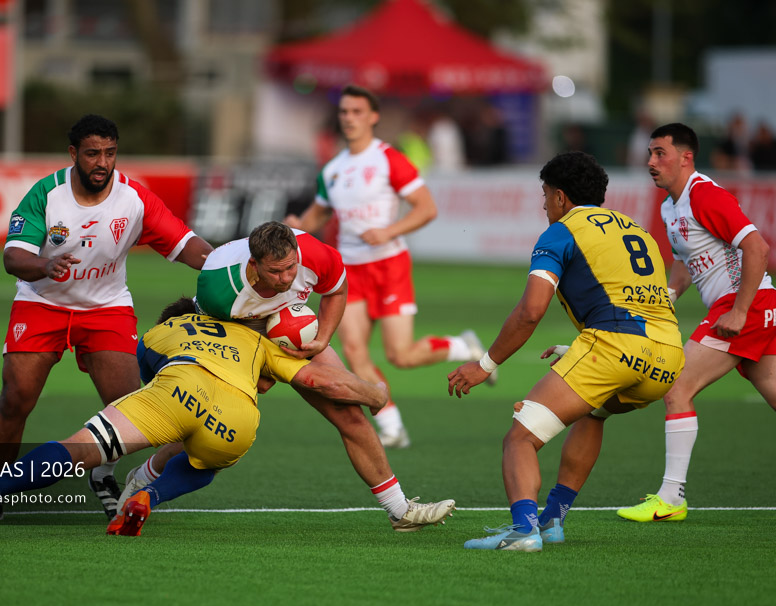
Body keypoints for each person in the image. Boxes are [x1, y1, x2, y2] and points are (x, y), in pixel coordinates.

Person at [0, 297, 455, 538]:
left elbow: (137, 374)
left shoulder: (162, 333)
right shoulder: (257, 340)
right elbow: (322, 383)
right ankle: (148, 497)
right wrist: (375, 393)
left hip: (172, 391)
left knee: (78, 447)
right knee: (207, 462)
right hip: (233, 417)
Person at [114, 222, 458, 532]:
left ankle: (400, 510)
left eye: (291, 267)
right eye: (276, 272)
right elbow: (215, 334)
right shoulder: (218, 286)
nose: (286, 279)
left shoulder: (318, 256)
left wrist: (322, 338)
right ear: (254, 265)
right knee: (206, 420)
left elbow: (336, 292)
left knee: (348, 412)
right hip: (238, 332)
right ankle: (144, 477)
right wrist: (260, 373)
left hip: (295, 329)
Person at [447, 152, 685, 551]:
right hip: (668, 357)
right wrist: (582, 349)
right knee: (594, 412)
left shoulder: (561, 232)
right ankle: (553, 520)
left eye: (545, 195)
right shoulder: (638, 230)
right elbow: (638, 303)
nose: (544, 205)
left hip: (613, 347)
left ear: (560, 196)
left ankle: (524, 531)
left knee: (520, 438)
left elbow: (530, 312)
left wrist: (485, 364)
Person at [0, 114, 213, 520]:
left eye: (110, 153)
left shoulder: (134, 199)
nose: (102, 163)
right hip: (42, 303)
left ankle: (102, 473)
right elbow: (13, 257)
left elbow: (188, 245)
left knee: (131, 407)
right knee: (16, 398)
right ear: (73, 153)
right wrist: (44, 265)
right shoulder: (47, 194)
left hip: (106, 308)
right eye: (93, 154)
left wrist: (231, 266)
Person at [287, 84, 491, 450]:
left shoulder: (388, 159)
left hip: (389, 265)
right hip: (348, 270)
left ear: (373, 117)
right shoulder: (332, 170)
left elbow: (426, 208)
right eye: (344, 112)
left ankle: (463, 346)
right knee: (355, 351)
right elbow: (318, 213)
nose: (349, 118)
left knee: (401, 355)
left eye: (357, 112)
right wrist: (297, 225)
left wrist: (389, 231)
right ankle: (392, 426)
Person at [617, 123, 775, 522]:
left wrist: (739, 311)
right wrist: (668, 297)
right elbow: (686, 263)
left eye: (660, 154)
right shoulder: (670, 206)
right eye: (650, 153)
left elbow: (757, 247)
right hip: (754, 306)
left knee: (676, 386)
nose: (651, 162)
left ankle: (671, 498)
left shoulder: (704, 194)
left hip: (745, 306)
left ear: (686, 158)